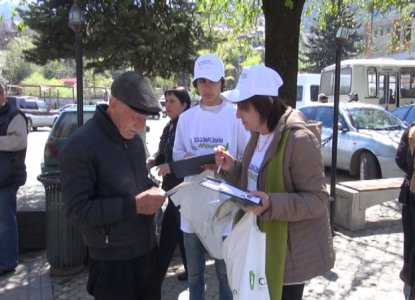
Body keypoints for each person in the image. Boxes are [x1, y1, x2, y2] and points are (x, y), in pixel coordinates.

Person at [214, 65, 335, 300]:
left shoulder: (299, 139)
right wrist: (232, 168)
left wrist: (270, 204)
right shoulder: (258, 134)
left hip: (288, 258)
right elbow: (255, 182)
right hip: (259, 248)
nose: (238, 115)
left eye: (243, 107)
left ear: (266, 103)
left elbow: (318, 199)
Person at [58, 71, 167, 300]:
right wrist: (134, 205)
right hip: (112, 263)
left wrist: (151, 189)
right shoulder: (80, 146)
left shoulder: (135, 141)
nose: (139, 126)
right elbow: (77, 212)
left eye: (144, 119)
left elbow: (133, 182)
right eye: (135, 117)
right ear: (114, 104)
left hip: (147, 252)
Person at [173, 53, 249, 300]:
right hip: (193, 207)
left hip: (224, 207)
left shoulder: (236, 117)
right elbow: (176, 156)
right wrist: (190, 160)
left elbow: (245, 160)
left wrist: (227, 164)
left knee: (225, 274)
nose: (207, 87)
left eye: (212, 81)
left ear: (222, 82)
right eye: (201, 81)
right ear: (195, 84)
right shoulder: (186, 119)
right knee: (195, 275)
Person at [146, 87, 191, 283]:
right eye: (165, 101)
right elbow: (163, 153)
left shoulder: (188, 126)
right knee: (181, 233)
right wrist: (153, 160)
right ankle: (191, 271)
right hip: (172, 189)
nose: (167, 105)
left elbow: (190, 159)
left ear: (184, 105)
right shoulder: (169, 126)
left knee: (168, 233)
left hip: (184, 188)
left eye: (172, 101)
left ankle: (155, 278)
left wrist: (169, 166)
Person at [0, 82, 28, 277]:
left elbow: (18, 141)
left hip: (6, 178)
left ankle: (8, 262)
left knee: (5, 222)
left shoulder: (14, 115)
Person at [396, 122, 415, 286]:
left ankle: (408, 271)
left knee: (410, 234)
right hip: (412, 191)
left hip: (411, 190)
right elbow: (401, 157)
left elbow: (400, 157)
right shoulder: (412, 131)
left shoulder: (411, 129)